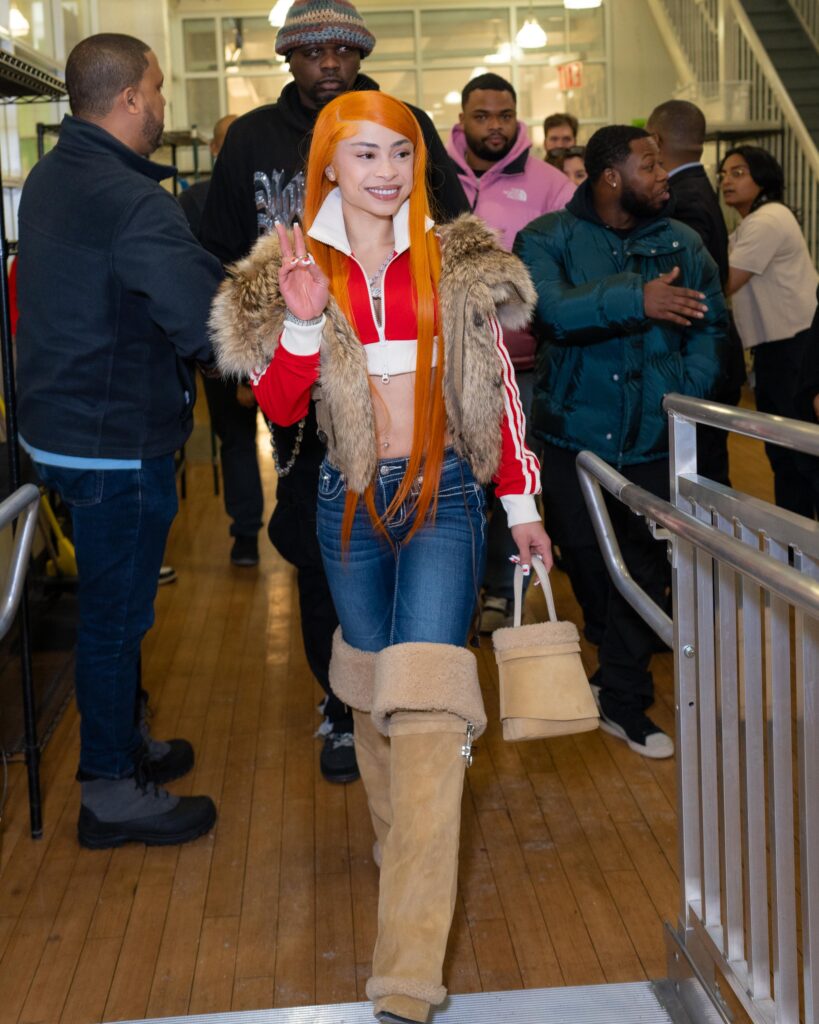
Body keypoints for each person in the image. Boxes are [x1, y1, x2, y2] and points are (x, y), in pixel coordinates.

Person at [211, 89, 549, 1024]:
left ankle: (406, 966)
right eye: (363, 155)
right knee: (368, 689)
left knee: (431, 707)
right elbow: (277, 412)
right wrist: (305, 321)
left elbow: (496, 388)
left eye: (398, 153)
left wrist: (519, 501)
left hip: (444, 496)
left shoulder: (458, 252)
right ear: (328, 163)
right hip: (343, 503)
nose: (386, 172)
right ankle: (405, 849)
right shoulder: (282, 267)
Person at [200, 0, 470, 785]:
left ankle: (414, 718)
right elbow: (220, 245)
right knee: (323, 552)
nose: (329, 62)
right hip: (302, 371)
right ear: (288, 58)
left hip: (406, 382)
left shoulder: (402, 120)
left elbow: (445, 229)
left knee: (421, 570)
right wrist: (268, 337)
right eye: (312, 50)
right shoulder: (252, 137)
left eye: (342, 50)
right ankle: (343, 703)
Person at [15, 33, 219, 848]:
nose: (163, 104)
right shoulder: (130, 197)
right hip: (114, 438)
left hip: (67, 426)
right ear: (132, 98)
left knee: (114, 614)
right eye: (159, 89)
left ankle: (122, 742)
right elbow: (200, 317)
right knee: (113, 618)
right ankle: (108, 790)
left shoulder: (57, 174)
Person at [515, 125, 727, 758]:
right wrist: (639, 297)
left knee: (642, 570)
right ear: (611, 177)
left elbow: (710, 329)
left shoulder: (682, 242)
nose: (665, 176)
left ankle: (625, 698)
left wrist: (677, 399)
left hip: (653, 442)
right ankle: (614, 667)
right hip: (572, 441)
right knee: (586, 563)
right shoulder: (547, 237)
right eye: (650, 165)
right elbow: (549, 312)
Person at [446, 71, 573, 631]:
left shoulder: (549, 185)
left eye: (504, 115)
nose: (494, 126)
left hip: (522, 366)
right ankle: (458, 590)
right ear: (463, 120)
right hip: (448, 365)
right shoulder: (429, 176)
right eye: (482, 116)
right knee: (458, 480)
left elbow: (568, 268)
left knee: (512, 481)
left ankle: (503, 590)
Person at [179, 114, 264, 568]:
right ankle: (245, 534)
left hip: (284, 341)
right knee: (235, 440)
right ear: (214, 151)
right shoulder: (191, 203)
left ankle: (299, 533)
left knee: (298, 439)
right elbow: (191, 280)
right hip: (222, 346)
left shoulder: (275, 192)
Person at [647, 99, 745, 485]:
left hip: (703, 358)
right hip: (713, 357)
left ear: (655, 139)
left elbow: (687, 285)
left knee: (701, 481)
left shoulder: (680, 199)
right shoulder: (697, 188)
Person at [720, 145, 819, 517]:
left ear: (762, 176)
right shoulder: (749, 224)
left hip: (794, 348)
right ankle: (796, 556)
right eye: (724, 174)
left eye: (738, 172)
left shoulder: (768, 219)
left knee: (799, 458)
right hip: (776, 350)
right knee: (784, 456)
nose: (727, 181)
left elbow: (726, 281)